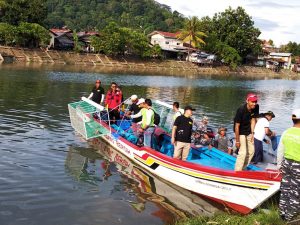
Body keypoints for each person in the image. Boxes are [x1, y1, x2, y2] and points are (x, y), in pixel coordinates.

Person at [277, 109, 300, 222]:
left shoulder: (286, 132)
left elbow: (280, 151)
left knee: (285, 188)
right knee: (296, 191)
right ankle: (290, 216)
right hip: (298, 166)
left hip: (286, 163)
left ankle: (282, 212)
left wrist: (279, 166)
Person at [234, 93, 259, 171]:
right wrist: (237, 141)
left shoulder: (256, 107)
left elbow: (253, 120)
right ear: (247, 101)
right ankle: (237, 171)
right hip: (240, 131)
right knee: (243, 152)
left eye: (255, 101)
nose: (254, 103)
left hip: (248, 131)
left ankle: (243, 169)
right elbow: (236, 126)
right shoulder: (241, 110)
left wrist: (252, 133)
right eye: (252, 102)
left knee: (251, 151)